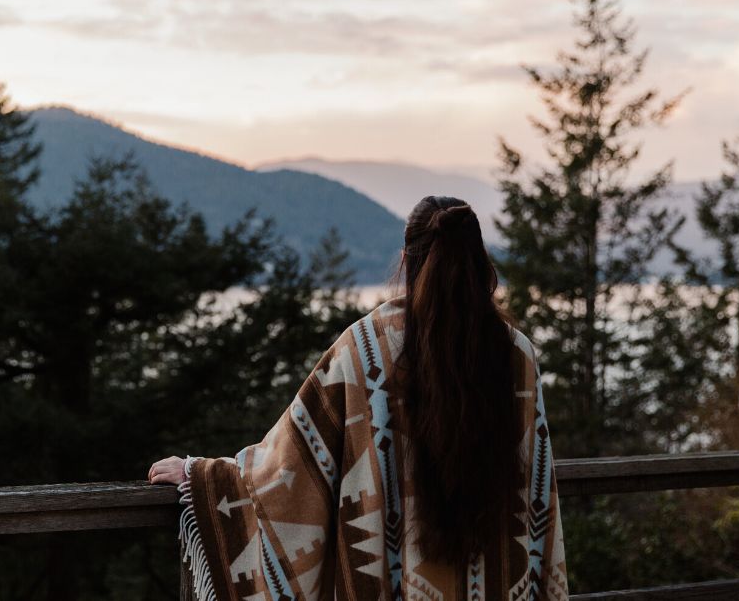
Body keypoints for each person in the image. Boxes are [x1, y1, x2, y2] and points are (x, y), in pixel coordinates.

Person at [149, 196, 569, 600]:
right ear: (479, 261)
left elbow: (290, 462)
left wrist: (202, 476)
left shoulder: (365, 349)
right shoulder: (518, 355)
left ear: (406, 260)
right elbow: (537, 488)